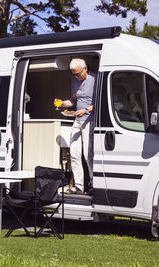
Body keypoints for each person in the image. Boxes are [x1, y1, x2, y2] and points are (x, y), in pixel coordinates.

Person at [54, 58, 97, 194]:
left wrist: (86, 110)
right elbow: (73, 101)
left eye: (78, 74)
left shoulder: (95, 80)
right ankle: (79, 186)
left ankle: (93, 185)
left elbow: (101, 102)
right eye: (74, 74)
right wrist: (61, 103)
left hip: (90, 120)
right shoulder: (76, 81)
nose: (76, 77)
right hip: (77, 120)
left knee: (88, 155)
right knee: (74, 153)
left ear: (85, 69)